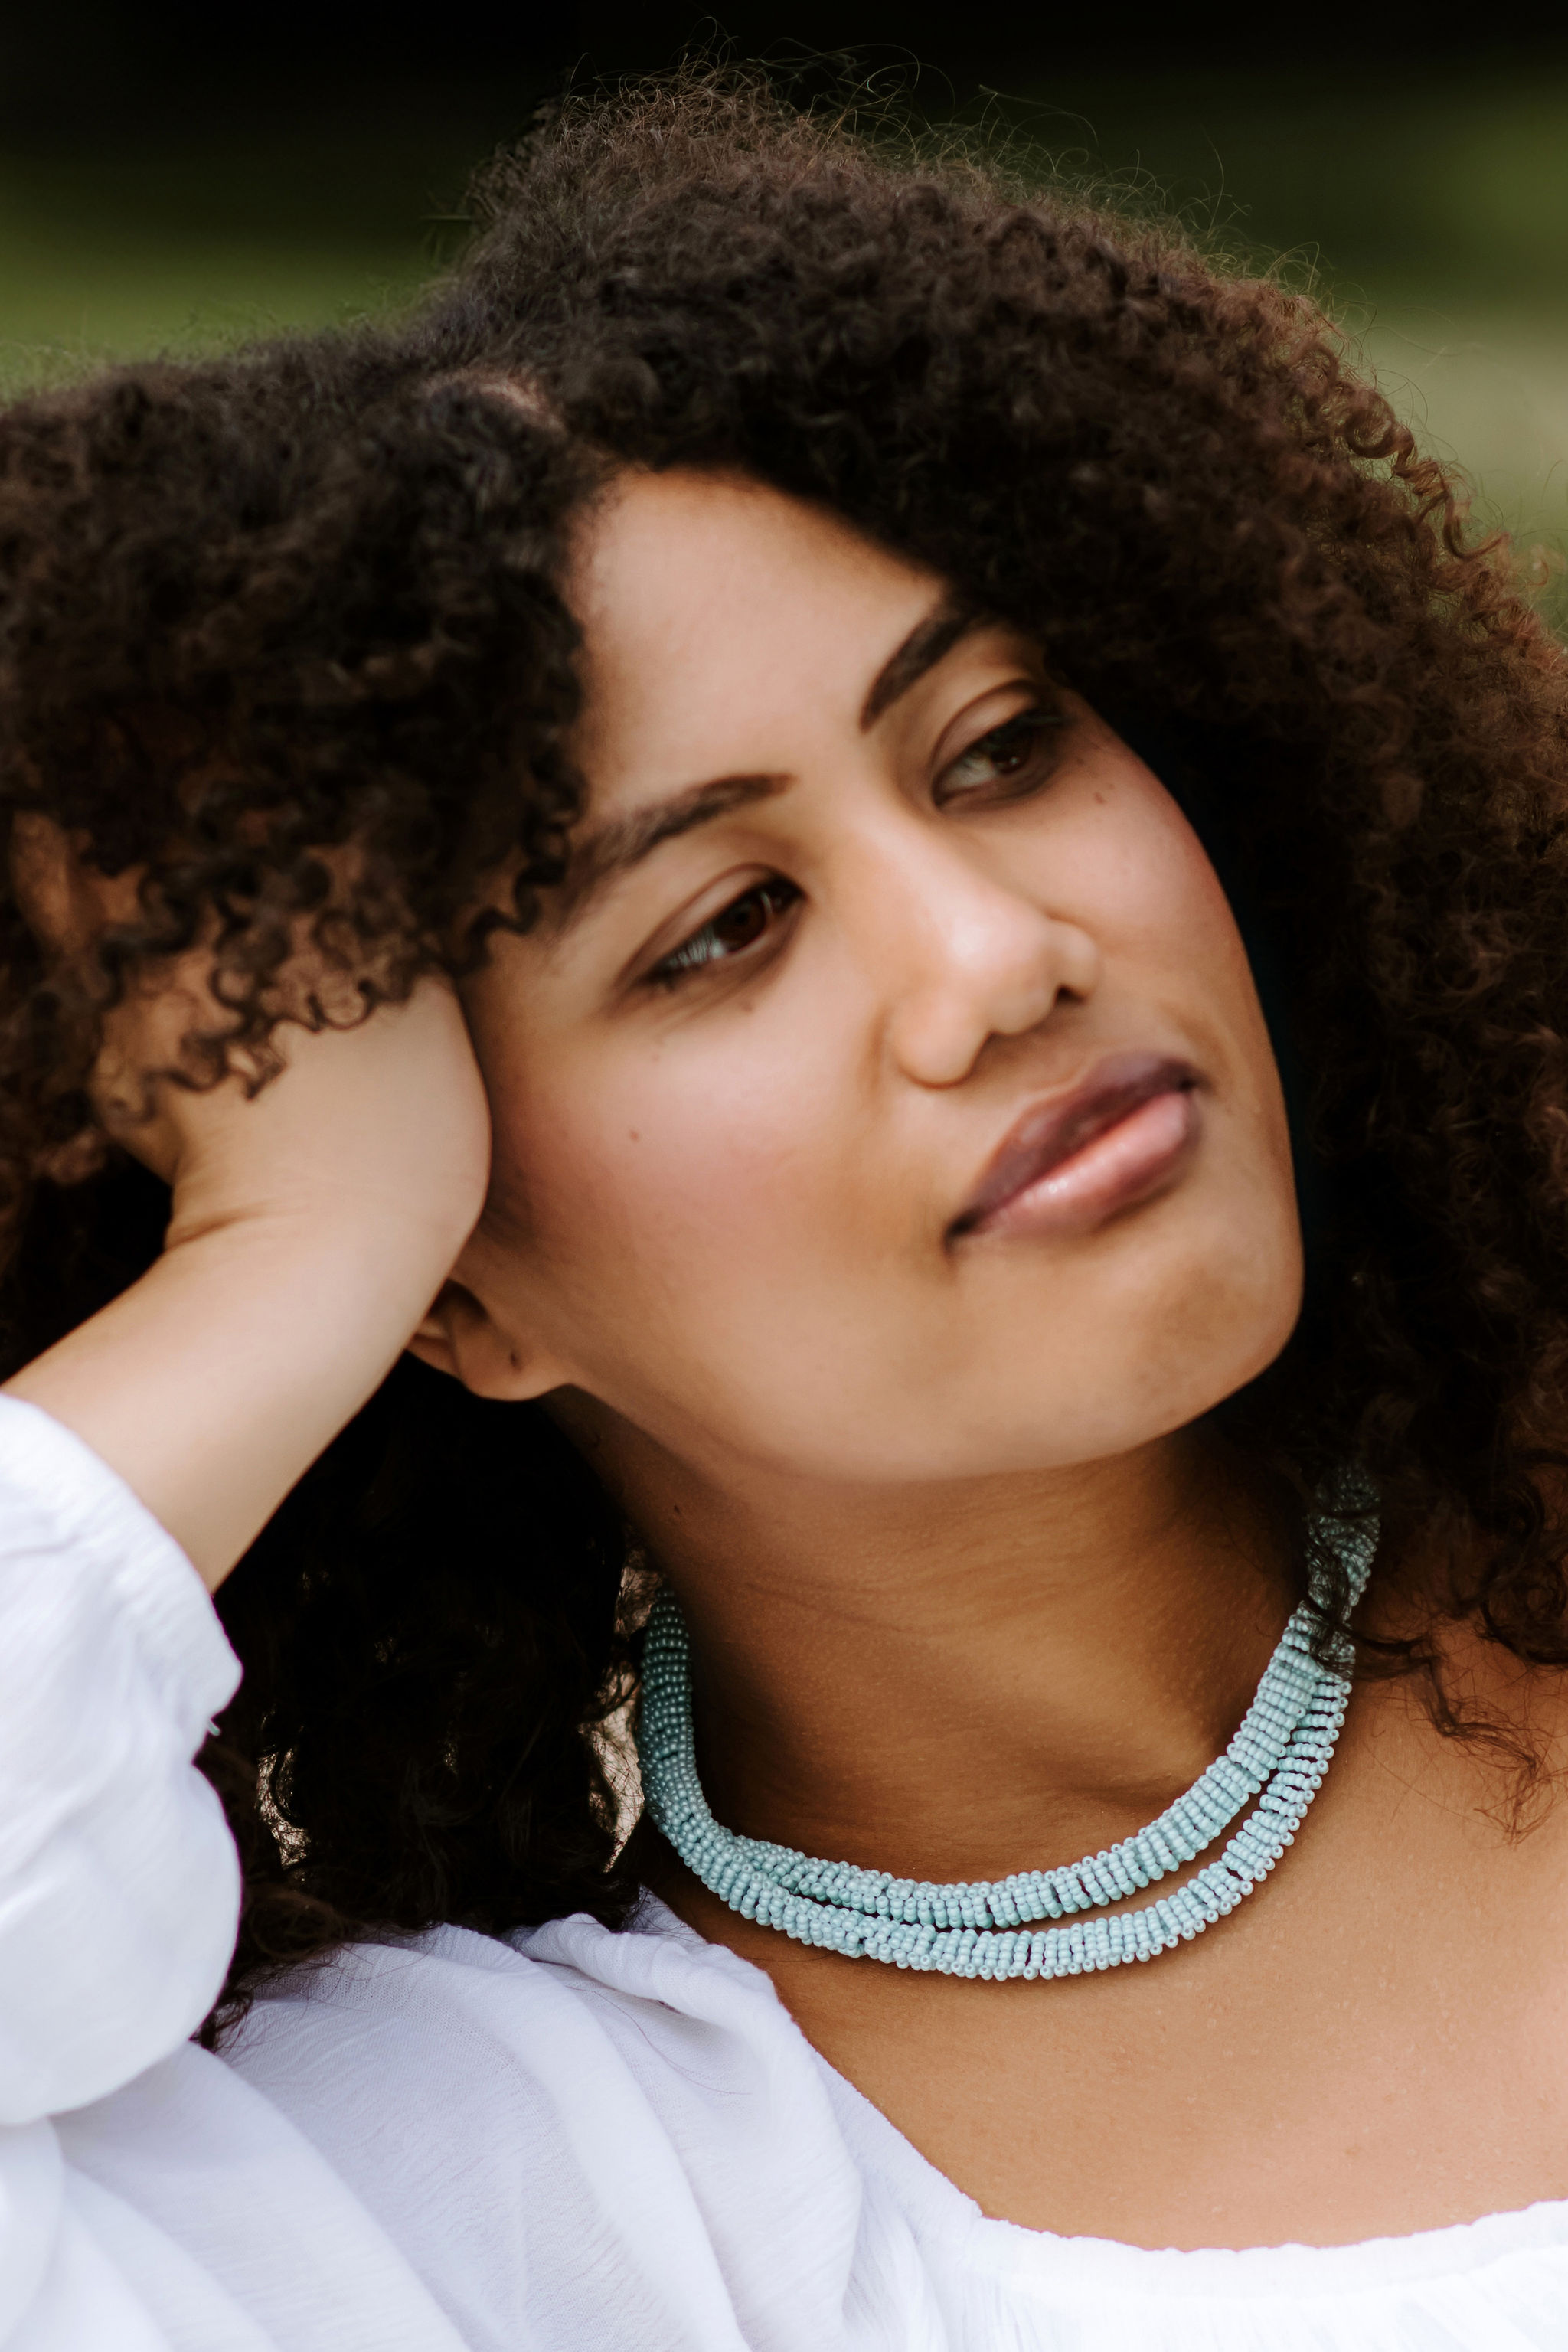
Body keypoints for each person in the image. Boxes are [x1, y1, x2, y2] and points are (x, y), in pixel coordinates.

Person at [3, 68, 1568, 2350]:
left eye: (1005, 745)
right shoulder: (511, 2202)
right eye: (723, 926)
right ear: (460, 1289)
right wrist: (286, 1257)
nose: (995, 953)